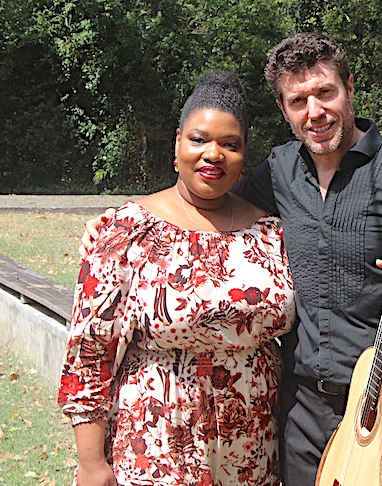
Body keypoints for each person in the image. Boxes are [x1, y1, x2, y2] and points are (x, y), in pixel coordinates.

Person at [81, 33, 382, 485]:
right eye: (298, 100)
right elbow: (208, 207)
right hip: (299, 415)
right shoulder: (277, 173)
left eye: (325, 93)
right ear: (283, 109)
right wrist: (123, 229)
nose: (314, 112)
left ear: (349, 88)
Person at [60, 70, 295, 486]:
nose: (213, 154)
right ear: (177, 143)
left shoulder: (270, 232)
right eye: (199, 139)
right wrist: (91, 462)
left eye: (230, 144)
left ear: (243, 157)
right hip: (158, 439)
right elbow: (90, 353)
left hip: (255, 445)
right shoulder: (127, 231)